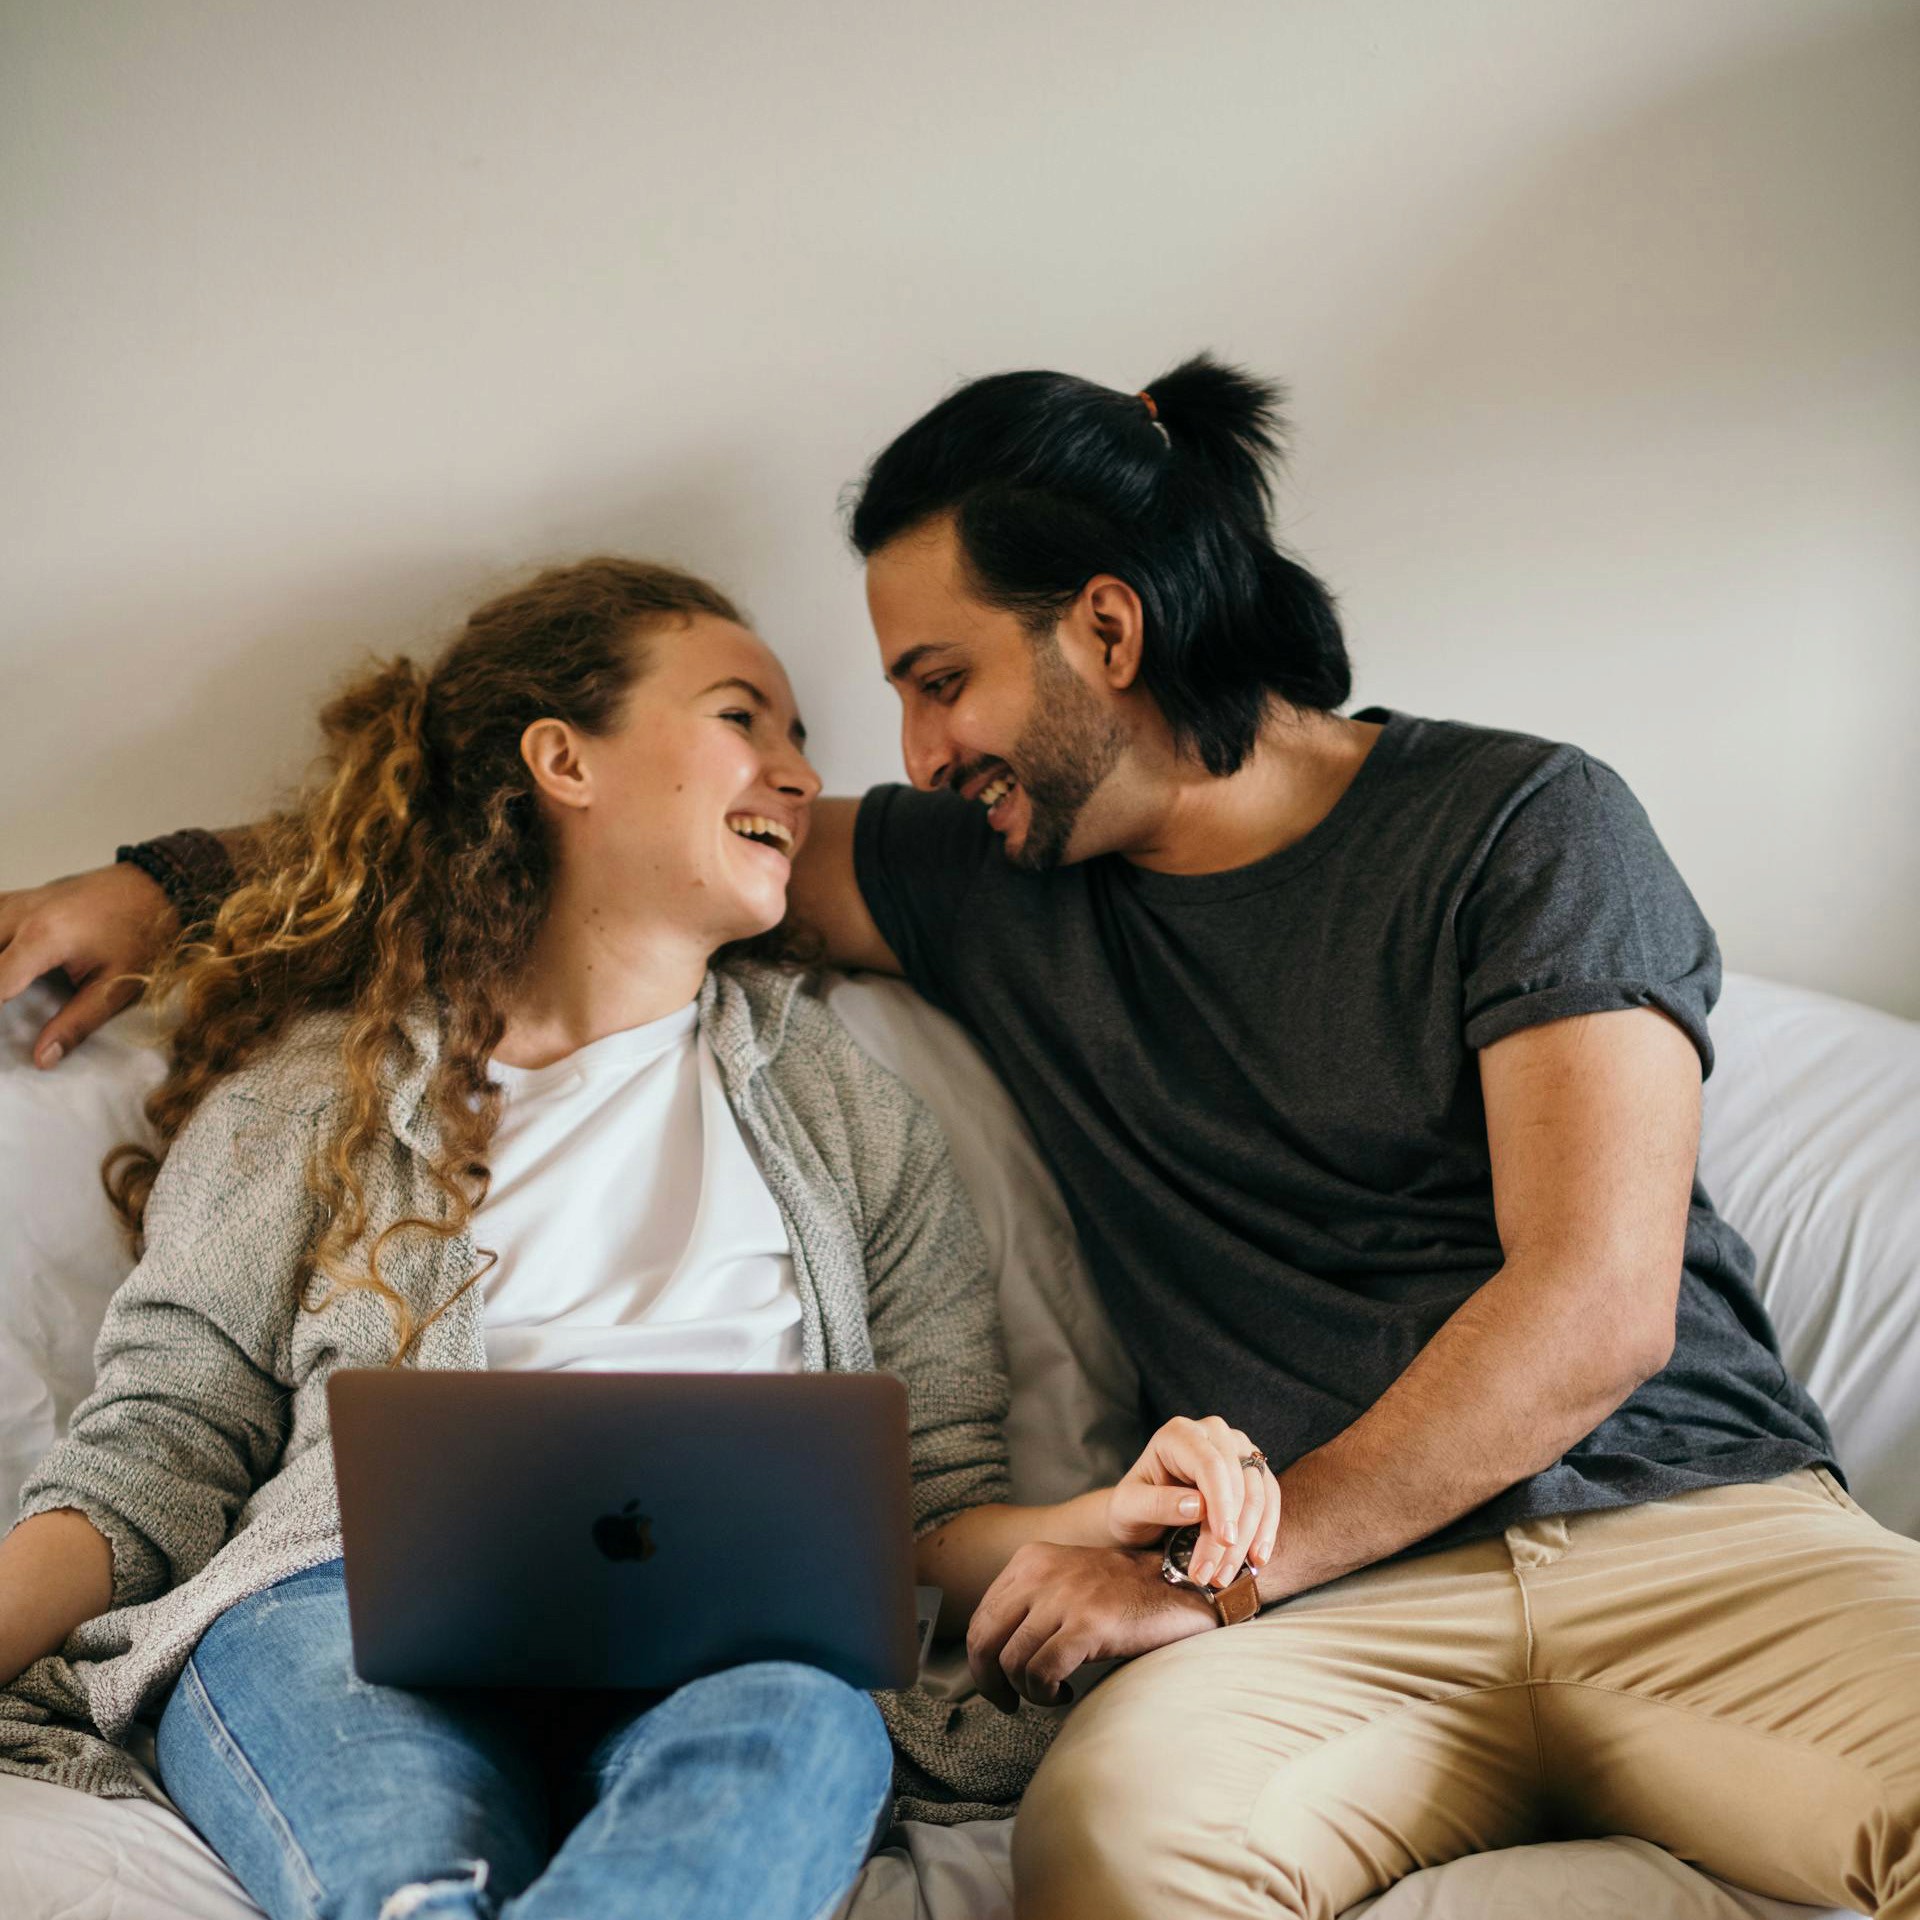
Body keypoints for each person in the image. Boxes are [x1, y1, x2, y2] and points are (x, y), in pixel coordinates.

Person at [8, 363, 1918, 1920]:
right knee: (1107, 1853)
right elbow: (498, 841)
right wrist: (163, 881)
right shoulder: (992, 866)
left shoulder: (1520, 825)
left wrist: (1195, 1571)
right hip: (1330, 1621)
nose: (907, 758)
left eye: (937, 682)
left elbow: (1593, 1305)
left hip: (1685, 1534)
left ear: (1105, 627)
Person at [0, 556, 1277, 1920]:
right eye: (747, 719)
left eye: (801, 739)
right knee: (416, 1873)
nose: (797, 773)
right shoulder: (314, 1098)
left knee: (802, 1725)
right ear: (564, 760)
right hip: (337, 1614)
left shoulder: (854, 1117)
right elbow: (152, 1464)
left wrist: (1106, 1519)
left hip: (732, 1647)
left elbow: (924, 1503)